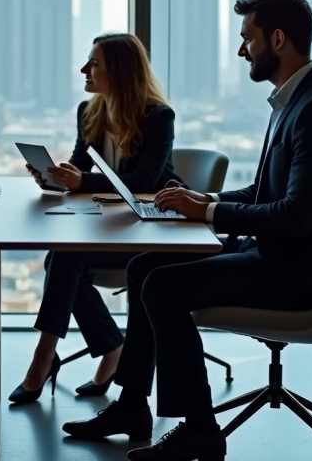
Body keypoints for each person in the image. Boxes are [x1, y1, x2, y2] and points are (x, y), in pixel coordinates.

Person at [62, 0, 312, 460]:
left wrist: (206, 212)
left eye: (249, 38)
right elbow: (268, 194)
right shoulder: (296, 101)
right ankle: (131, 406)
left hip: (295, 273)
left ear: (278, 39)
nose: (242, 49)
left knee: (162, 288)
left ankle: (200, 429)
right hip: (273, 254)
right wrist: (208, 198)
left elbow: (296, 218)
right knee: (144, 268)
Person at [10, 33, 183, 404]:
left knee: (63, 259)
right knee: (62, 257)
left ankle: (47, 360)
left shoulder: (158, 117)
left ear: (119, 71)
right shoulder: (89, 111)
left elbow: (144, 182)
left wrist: (82, 180)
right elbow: (80, 167)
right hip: (109, 226)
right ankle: (105, 349)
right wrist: (53, 177)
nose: (83, 69)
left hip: (150, 228)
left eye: (94, 63)